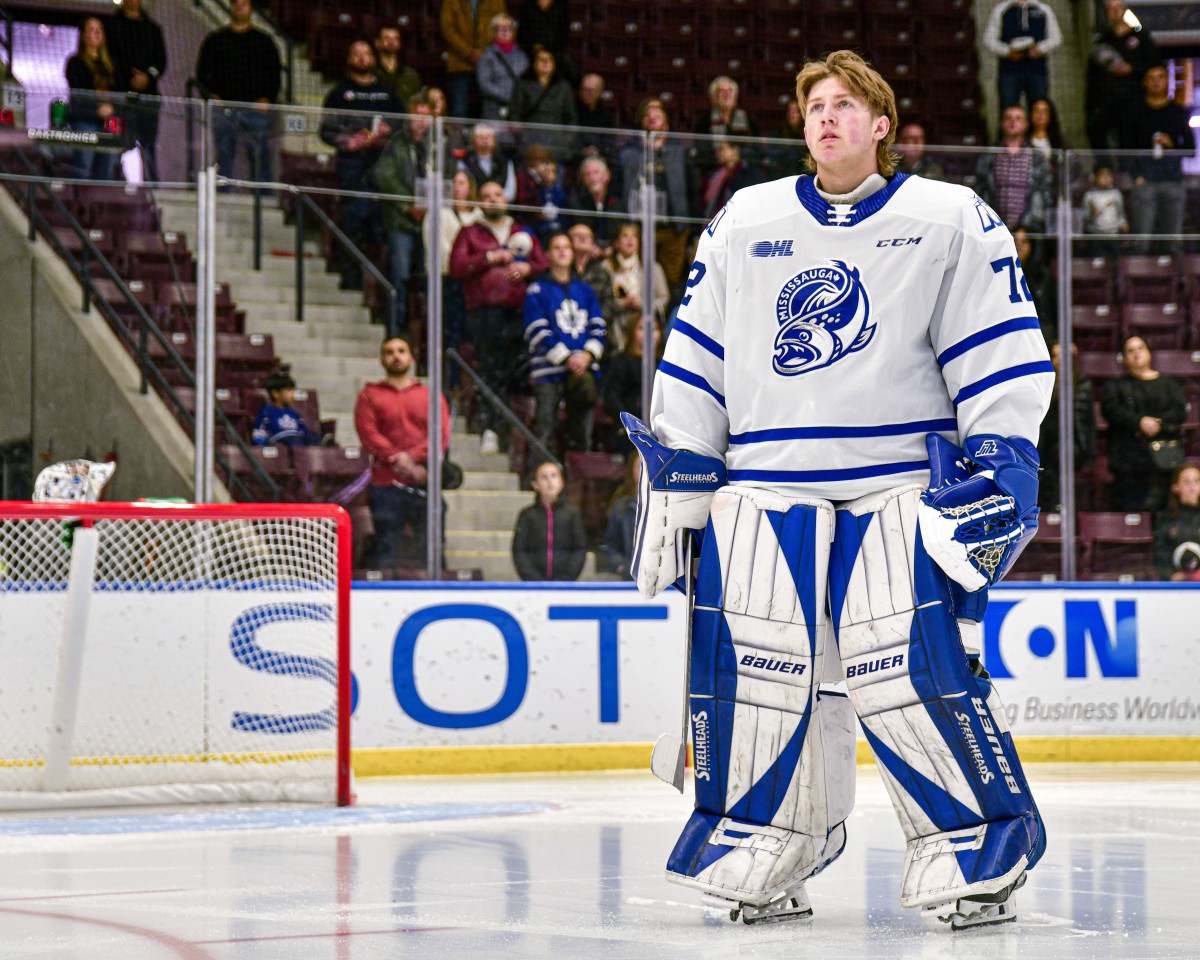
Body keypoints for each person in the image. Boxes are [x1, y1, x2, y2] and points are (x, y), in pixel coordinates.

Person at [625, 49, 1052, 928]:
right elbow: (698, 350)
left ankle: (972, 845)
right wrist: (682, 466)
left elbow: (998, 348)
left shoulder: (947, 218)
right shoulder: (745, 219)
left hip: (897, 482)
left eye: (847, 105)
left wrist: (1003, 459)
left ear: (882, 124)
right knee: (759, 674)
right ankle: (770, 837)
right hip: (765, 483)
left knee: (907, 671)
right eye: (815, 104)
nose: (828, 117)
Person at [450, 179, 548, 453]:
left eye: (498, 195)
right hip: (484, 313)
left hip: (520, 313)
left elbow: (544, 264)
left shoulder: (522, 231)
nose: (493, 199)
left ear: (507, 200)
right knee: (492, 369)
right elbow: (456, 266)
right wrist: (489, 258)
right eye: (487, 195)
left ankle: (506, 432)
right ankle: (489, 427)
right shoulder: (470, 232)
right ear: (479, 202)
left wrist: (527, 270)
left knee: (514, 371)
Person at [355, 334, 451, 570]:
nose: (396, 356)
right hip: (385, 486)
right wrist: (399, 459)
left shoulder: (430, 396)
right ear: (381, 360)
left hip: (423, 484)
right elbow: (369, 434)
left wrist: (412, 458)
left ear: (411, 357)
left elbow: (441, 434)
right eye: (389, 352)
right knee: (386, 549)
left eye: (401, 351)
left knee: (432, 549)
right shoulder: (369, 395)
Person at [318, 40, 402, 290]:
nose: (362, 58)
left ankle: (381, 285)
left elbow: (404, 127)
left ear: (373, 59)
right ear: (349, 59)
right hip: (352, 166)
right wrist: (348, 141)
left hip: (383, 166)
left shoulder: (387, 94)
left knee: (381, 227)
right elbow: (325, 131)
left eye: (366, 53)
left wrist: (390, 131)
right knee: (354, 221)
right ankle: (351, 278)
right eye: (357, 54)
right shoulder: (338, 93)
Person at [523, 231, 606, 453]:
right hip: (549, 371)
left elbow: (598, 327)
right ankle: (538, 475)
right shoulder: (537, 290)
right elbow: (537, 331)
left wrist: (587, 356)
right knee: (545, 428)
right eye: (557, 247)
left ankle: (579, 479)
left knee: (583, 433)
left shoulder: (586, 291)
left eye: (566, 247)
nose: (562, 251)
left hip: (583, 370)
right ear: (548, 254)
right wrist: (568, 358)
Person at [617, 97, 698, 295]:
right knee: (641, 278)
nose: (652, 119)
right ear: (641, 122)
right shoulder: (629, 151)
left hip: (673, 229)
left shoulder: (678, 151)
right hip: (640, 228)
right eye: (648, 116)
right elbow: (619, 188)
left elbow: (692, 189)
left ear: (666, 123)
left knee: (671, 281)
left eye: (657, 116)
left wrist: (693, 228)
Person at [195, 0, 281, 184]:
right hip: (225, 110)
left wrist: (267, 99)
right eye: (237, 3)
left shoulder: (264, 41)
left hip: (256, 111)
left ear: (251, 8)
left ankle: (263, 198)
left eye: (245, 3)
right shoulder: (216, 40)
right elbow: (201, 75)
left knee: (259, 157)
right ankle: (222, 197)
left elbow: (274, 75)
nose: (240, 6)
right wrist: (211, 97)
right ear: (231, 7)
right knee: (224, 155)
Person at [1101, 335, 1187, 513]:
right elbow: (1111, 410)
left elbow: (1179, 411)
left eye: (1140, 348)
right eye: (1130, 350)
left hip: (1164, 463)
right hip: (1128, 463)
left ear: (1149, 353)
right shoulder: (1115, 387)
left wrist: (1159, 424)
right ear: (1123, 358)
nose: (1136, 353)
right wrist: (1139, 422)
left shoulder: (1168, 384)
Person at [373, 92, 432, 336]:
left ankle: (427, 330)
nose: (420, 121)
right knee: (400, 275)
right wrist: (409, 205)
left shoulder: (439, 144)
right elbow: (384, 176)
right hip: (401, 221)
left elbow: (448, 176)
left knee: (429, 277)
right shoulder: (396, 142)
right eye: (416, 115)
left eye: (425, 116)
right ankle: (397, 328)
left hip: (432, 221)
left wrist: (430, 207)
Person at [1127, 63, 1194, 254]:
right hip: (1145, 181)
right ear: (1145, 83)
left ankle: (1176, 282)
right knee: (1142, 240)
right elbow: (1127, 149)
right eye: (1152, 78)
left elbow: (1190, 150)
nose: (1156, 82)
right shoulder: (1136, 113)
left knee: (1173, 240)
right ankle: (1139, 281)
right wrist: (1137, 176)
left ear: (1167, 81)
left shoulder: (1178, 112)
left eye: (1160, 77)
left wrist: (1172, 145)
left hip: (1173, 180)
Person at [1087, 0, 1160, 163]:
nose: (1115, 12)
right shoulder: (1102, 41)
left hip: (1134, 100)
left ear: (1125, 10)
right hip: (1108, 100)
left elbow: (1154, 64)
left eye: (1118, 8)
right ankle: (1105, 171)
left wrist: (1132, 68)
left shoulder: (1140, 37)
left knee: (1130, 139)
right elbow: (1093, 75)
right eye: (1111, 9)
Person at [426, 169, 483, 366]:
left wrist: (469, 262)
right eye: (455, 182)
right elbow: (438, 246)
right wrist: (464, 261)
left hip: (473, 280)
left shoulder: (479, 215)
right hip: (446, 277)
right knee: (449, 327)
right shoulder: (439, 213)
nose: (458, 187)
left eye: (462, 182)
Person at [105, 0, 167, 180]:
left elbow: (160, 62)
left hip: (148, 100)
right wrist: (128, 78)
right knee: (119, 143)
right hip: (121, 99)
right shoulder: (112, 26)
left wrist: (147, 76)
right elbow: (111, 59)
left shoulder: (153, 29)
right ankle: (115, 185)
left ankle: (152, 189)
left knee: (148, 145)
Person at [974, 103, 1053, 233]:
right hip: (994, 229)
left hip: (1029, 232)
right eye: (1008, 118)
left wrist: (1028, 225)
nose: (1013, 122)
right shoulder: (989, 157)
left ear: (1026, 124)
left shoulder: (1037, 158)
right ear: (1001, 123)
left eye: (1018, 118)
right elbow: (980, 192)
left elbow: (1045, 194)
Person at [1037, 341, 1096, 511]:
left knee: (1062, 452)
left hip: (1075, 446)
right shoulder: (1044, 385)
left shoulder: (1082, 384)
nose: (1059, 360)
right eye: (1055, 356)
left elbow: (1088, 424)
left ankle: (1063, 506)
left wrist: (1091, 457)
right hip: (1046, 445)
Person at [511, 459, 587, 580]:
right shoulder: (527, 515)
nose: (549, 481)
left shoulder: (572, 514)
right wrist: (533, 580)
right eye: (543, 477)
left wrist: (565, 579)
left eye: (554, 476)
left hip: (565, 584)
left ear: (561, 482)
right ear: (535, 485)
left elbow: (579, 549)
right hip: (534, 585)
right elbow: (519, 550)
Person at [65, 16, 121, 181]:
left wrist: (112, 109)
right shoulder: (75, 62)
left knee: (109, 162)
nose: (96, 34)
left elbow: (119, 93)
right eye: (91, 30)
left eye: (99, 30)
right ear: (83, 35)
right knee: (84, 163)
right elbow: (79, 93)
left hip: (108, 121)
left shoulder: (111, 65)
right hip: (85, 117)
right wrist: (97, 109)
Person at [982, 0, 1062, 109]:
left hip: (1037, 70)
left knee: (1038, 108)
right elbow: (988, 39)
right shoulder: (1001, 9)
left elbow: (1056, 38)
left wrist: (1040, 49)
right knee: (1008, 109)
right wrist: (1007, 52)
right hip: (1009, 71)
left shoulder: (1043, 9)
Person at [604, 221, 667, 351]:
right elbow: (600, 302)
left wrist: (643, 305)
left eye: (634, 236)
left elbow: (664, 298)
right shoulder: (605, 268)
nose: (630, 240)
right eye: (625, 236)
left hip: (645, 323)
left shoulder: (653, 268)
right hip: (614, 327)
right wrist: (621, 304)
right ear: (616, 243)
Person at [439, 0, 507, 120]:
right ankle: (457, 138)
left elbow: (501, 25)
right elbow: (447, 28)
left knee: (491, 111)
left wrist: (483, 53)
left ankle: (490, 138)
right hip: (459, 63)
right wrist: (468, 52)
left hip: (488, 64)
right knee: (459, 110)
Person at [508, 45, 576, 160]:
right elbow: (514, 116)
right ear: (534, 63)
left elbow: (571, 119)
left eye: (549, 59)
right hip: (529, 143)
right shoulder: (523, 85)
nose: (545, 62)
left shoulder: (563, 87)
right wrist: (524, 139)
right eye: (541, 59)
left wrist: (564, 141)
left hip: (556, 145)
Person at [694, 75, 757, 172]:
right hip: (713, 169)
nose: (726, 94)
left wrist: (737, 155)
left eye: (730, 91)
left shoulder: (748, 120)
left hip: (743, 170)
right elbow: (702, 152)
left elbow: (756, 149)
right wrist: (721, 156)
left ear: (735, 97)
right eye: (721, 91)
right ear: (713, 98)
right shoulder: (704, 122)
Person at [476, 13, 527, 123]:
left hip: (519, 109)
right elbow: (485, 84)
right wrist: (507, 96)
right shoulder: (486, 56)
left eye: (508, 28)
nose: (504, 32)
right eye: (500, 28)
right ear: (493, 32)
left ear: (513, 32)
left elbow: (527, 81)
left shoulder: (522, 56)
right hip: (494, 109)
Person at [251, 371, 324, 446]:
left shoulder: (294, 413)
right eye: (289, 390)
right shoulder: (267, 412)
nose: (293, 393)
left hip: (296, 439)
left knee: (314, 439)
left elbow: (303, 431)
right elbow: (259, 433)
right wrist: (264, 445)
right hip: (280, 442)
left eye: (293, 390)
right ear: (276, 394)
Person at [567, 222, 619, 328]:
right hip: (566, 327)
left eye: (587, 236)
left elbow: (609, 306)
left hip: (596, 330)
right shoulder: (562, 271)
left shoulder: (602, 272)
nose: (583, 238)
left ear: (592, 242)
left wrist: (590, 323)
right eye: (577, 235)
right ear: (568, 241)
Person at [567, 156, 624, 252]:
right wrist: (589, 247)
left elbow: (625, 231)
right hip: (585, 253)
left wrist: (614, 247)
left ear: (607, 176)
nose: (592, 178)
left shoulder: (619, 204)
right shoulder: (575, 204)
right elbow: (570, 231)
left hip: (615, 253)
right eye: (587, 174)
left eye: (596, 172)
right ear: (583, 180)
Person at [1153, 464, 1200, 580]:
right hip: (1174, 583)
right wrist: (1171, 575)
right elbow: (1160, 552)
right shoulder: (1164, 519)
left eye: (1197, 481)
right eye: (1187, 482)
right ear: (1176, 487)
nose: (1193, 487)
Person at [514, 143, 568, 245]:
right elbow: (524, 203)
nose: (546, 168)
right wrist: (538, 213)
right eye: (544, 163)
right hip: (533, 226)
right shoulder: (528, 181)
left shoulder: (556, 191)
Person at [700, 140, 764, 221]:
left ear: (735, 151)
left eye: (722, 149)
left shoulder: (748, 175)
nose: (718, 153)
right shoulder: (718, 175)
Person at [459, 122, 518, 201]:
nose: (485, 139)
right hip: (475, 204)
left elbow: (510, 189)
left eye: (488, 136)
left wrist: (497, 200)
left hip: (500, 205)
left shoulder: (505, 161)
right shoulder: (464, 161)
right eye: (480, 137)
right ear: (472, 141)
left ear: (494, 140)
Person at [602, 453, 639, 574]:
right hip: (629, 578)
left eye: (649, 466)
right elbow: (611, 543)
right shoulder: (621, 505)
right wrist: (620, 565)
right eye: (640, 466)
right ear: (631, 470)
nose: (645, 471)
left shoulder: (666, 504)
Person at [1081, 164, 1128, 258]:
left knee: (1115, 260)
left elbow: (1120, 213)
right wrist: (1092, 214)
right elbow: (1085, 217)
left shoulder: (1116, 194)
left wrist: (1123, 223)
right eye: (1103, 176)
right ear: (1096, 178)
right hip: (1096, 234)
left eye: (1108, 176)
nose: (1106, 179)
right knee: (1097, 260)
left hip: (1113, 233)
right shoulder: (1090, 195)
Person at [373, 25, 421, 110]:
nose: (391, 42)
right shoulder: (370, 73)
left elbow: (416, 104)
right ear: (377, 43)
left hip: (403, 120)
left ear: (400, 44)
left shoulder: (410, 75)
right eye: (386, 38)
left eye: (395, 39)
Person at [764, 98, 809, 178]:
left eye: (796, 111)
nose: (793, 114)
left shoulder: (809, 134)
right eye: (790, 111)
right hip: (782, 177)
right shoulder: (777, 134)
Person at [1026, 96, 1066, 161]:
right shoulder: (1023, 141)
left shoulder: (1060, 141)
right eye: (1036, 110)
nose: (1040, 114)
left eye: (1044, 111)